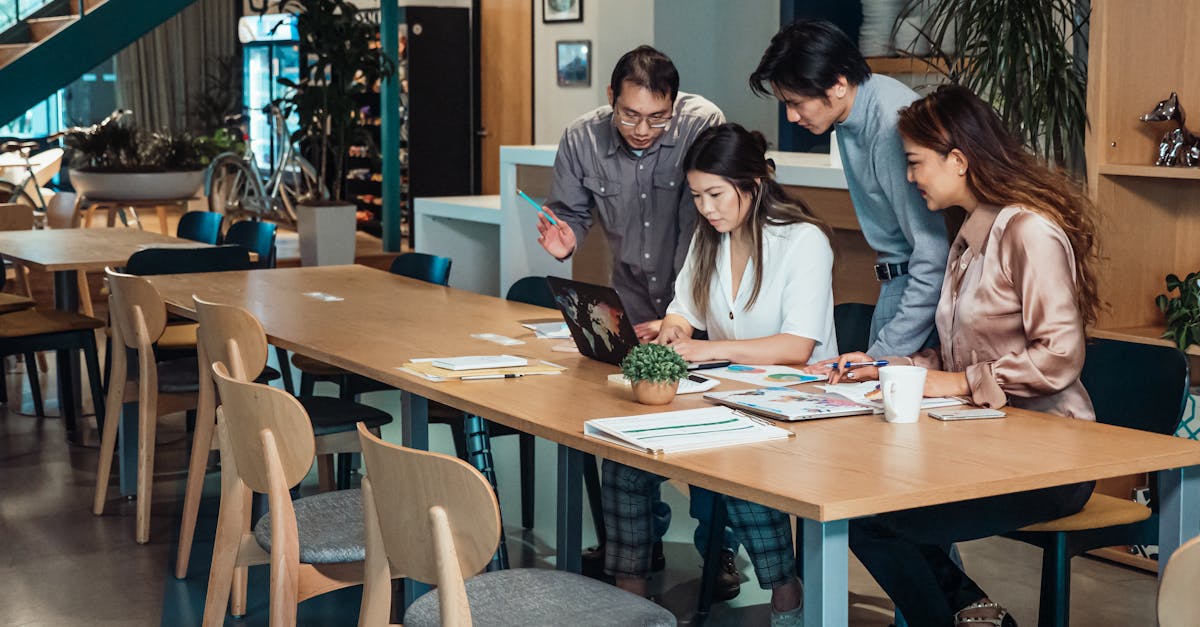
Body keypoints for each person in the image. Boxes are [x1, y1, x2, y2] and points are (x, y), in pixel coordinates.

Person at [822, 84, 1101, 627]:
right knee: (856, 504)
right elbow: (961, 352)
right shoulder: (969, 235)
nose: (909, 177)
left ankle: (961, 613)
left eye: (915, 163)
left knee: (871, 517)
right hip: (988, 447)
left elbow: (1061, 356)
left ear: (958, 159)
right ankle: (973, 611)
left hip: (1054, 461)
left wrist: (956, 384)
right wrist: (895, 367)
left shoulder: (1028, 231)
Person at [603, 123, 837, 627]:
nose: (706, 208)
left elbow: (797, 347)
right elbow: (683, 307)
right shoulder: (710, 239)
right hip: (728, 396)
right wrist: (673, 330)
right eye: (696, 196)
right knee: (624, 461)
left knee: (741, 465)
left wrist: (706, 350)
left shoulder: (803, 241)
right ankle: (631, 601)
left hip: (799, 403)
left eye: (715, 194)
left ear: (753, 183)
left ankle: (784, 592)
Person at [534, 45, 740, 596]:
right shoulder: (582, 138)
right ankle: (635, 547)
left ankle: (717, 551)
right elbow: (571, 214)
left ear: (674, 103)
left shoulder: (703, 124)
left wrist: (691, 315)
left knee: (706, 438)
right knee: (627, 431)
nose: (643, 128)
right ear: (610, 99)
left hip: (699, 306)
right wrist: (566, 240)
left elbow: (724, 215)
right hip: (631, 305)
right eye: (629, 115)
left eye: (656, 116)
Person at [750, 19, 949, 357]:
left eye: (797, 102)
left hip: (916, 292)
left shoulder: (890, 124)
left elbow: (932, 253)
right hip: (900, 283)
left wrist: (880, 358)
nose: (792, 117)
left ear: (838, 84)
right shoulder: (853, 112)